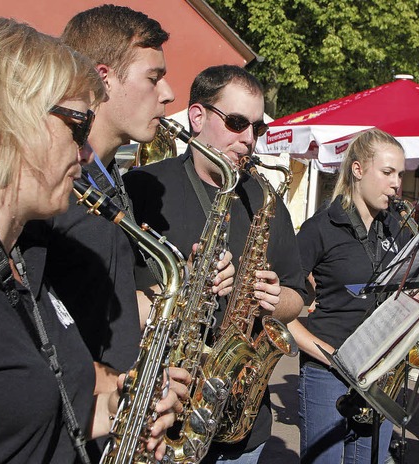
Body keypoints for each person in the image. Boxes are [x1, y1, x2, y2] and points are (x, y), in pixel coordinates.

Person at [0, 18, 180, 462]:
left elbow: (46, 405)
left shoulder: (24, 260)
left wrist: (120, 408)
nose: (87, 152)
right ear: (11, 119)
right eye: (78, 125)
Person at [123, 64, 307, 463]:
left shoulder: (265, 199)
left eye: (257, 128)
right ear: (198, 116)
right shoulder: (141, 188)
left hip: (241, 425)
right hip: (159, 413)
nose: (248, 140)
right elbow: (112, 297)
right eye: (237, 122)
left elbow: (299, 299)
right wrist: (186, 287)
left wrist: (275, 298)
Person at [286, 129, 412, 464]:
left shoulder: (397, 228)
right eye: (387, 173)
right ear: (357, 170)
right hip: (329, 371)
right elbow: (276, 303)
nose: (396, 183)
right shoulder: (321, 227)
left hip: (379, 371)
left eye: (400, 174)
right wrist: (322, 352)